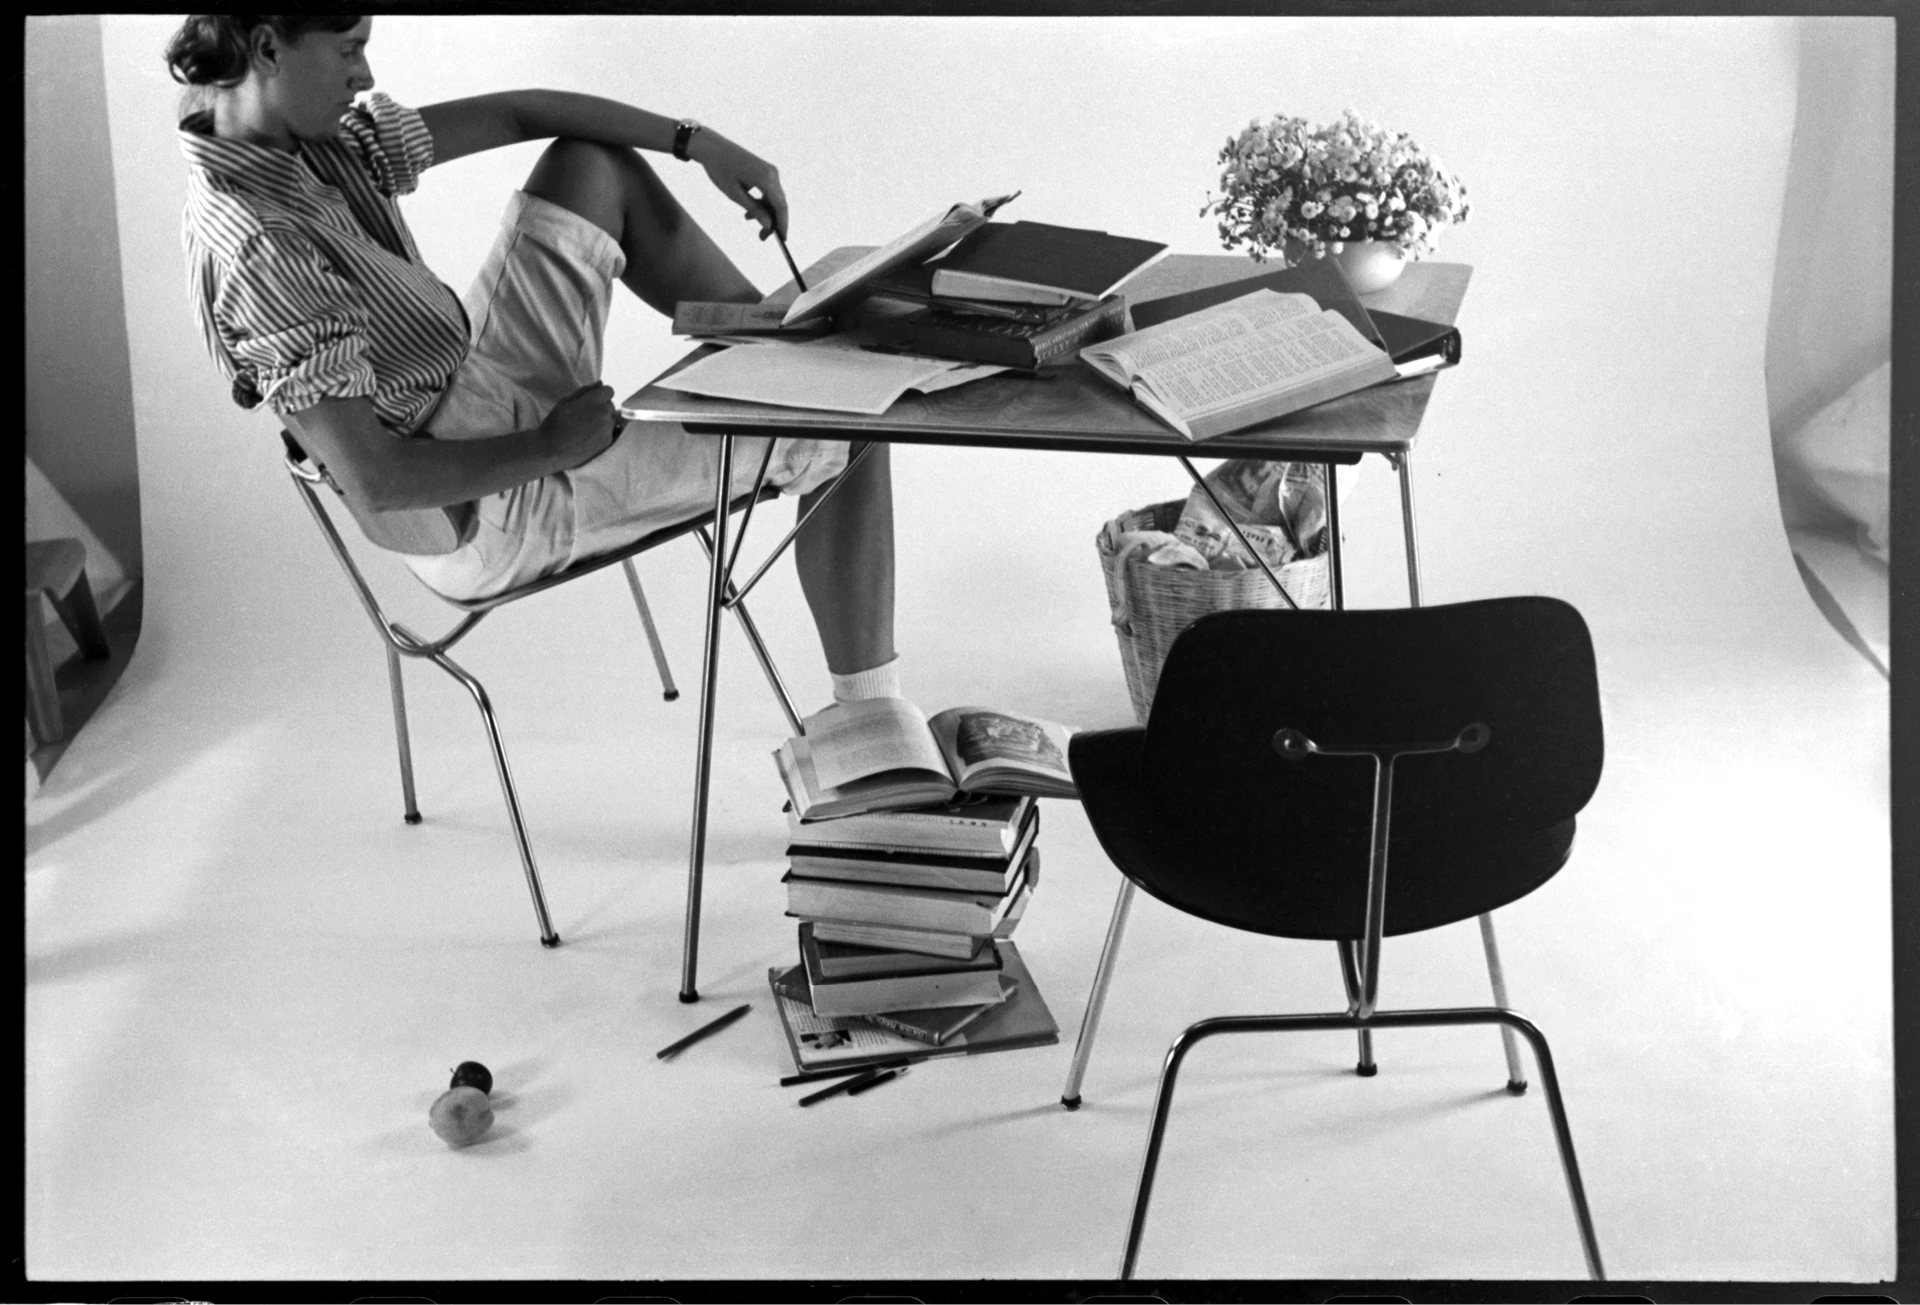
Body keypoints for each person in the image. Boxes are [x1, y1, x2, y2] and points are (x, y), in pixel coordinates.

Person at [167, 13, 903, 706]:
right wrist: (551, 445)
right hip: (486, 497)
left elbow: (524, 112)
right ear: (266, 49)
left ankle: (779, 349)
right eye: (349, 48)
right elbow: (379, 482)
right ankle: (870, 727)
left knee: (591, 165)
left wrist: (695, 141)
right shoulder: (261, 245)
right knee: (852, 426)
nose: (364, 75)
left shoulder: (296, 139)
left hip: (471, 375)